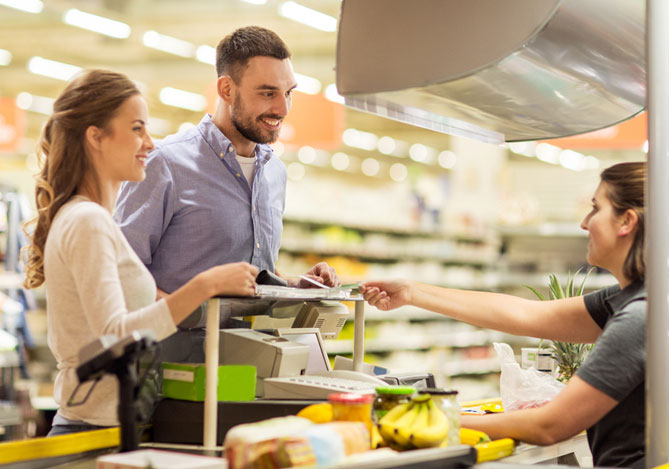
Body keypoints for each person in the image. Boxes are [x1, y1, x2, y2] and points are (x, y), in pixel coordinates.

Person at [362, 161, 646, 468]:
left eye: (595, 208)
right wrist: (412, 292)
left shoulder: (639, 317)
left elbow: (549, 425)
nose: (584, 222)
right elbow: (529, 314)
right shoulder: (638, 299)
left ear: (626, 221)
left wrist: (425, 418)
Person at [23, 70, 259, 436]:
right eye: (137, 129)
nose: (150, 142)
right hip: (93, 432)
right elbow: (114, 338)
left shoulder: (90, 218)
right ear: (96, 136)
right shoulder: (87, 220)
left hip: (109, 425)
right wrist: (205, 285)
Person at [114, 26, 338, 299]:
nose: (283, 109)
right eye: (268, 93)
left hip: (257, 341)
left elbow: (255, 270)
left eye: (288, 93)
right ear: (227, 89)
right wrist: (188, 316)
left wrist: (292, 285)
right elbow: (122, 273)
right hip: (180, 341)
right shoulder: (165, 163)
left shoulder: (274, 172)